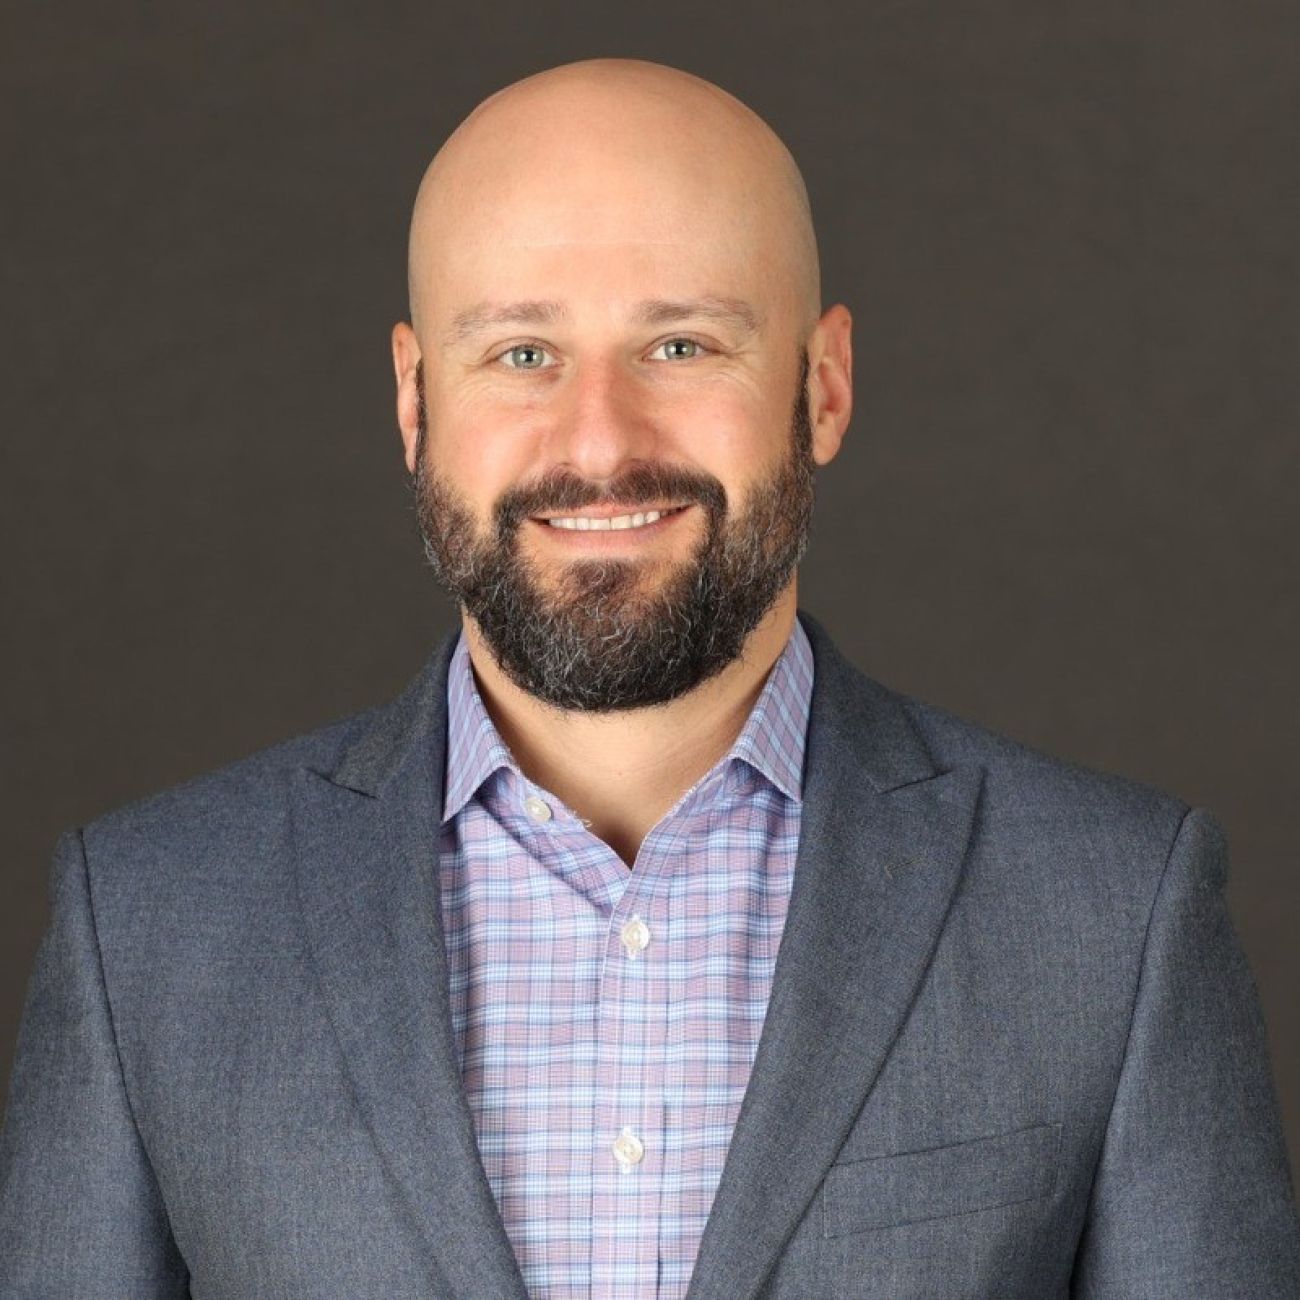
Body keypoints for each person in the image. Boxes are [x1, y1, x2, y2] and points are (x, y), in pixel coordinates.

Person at [1, 55, 1296, 1300]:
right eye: (521, 353)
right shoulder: (147, 931)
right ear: (413, 403)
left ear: (824, 384)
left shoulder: (1117, 918)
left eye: (680, 346)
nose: (601, 442)